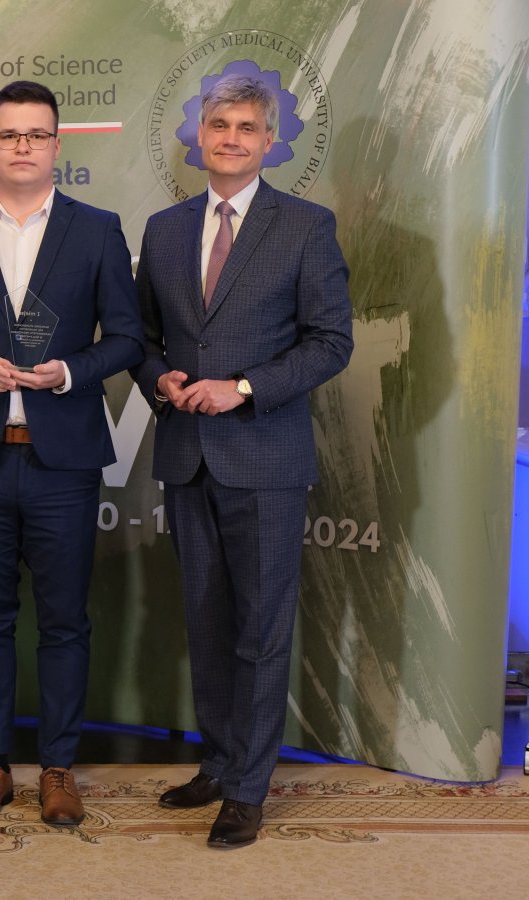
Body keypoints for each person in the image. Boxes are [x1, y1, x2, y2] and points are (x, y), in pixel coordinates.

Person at [129, 74, 353, 849]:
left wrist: (245, 388)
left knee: (260, 630)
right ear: (200, 135)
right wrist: (159, 378)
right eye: (219, 124)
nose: (231, 138)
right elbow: (143, 338)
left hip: (266, 456)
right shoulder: (164, 230)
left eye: (247, 127)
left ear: (269, 142)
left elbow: (332, 342)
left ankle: (249, 791)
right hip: (188, 455)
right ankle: (220, 764)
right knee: (206, 620)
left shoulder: (306, 226)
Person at [0, 81, 144, 826]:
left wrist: (70, 371)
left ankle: (57, 768)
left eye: (36, 134)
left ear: (56, 145)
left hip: (63, 463)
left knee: (64, 621)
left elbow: (128, 339)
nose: (23, 146)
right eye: (10, 134)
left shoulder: (97, 230)